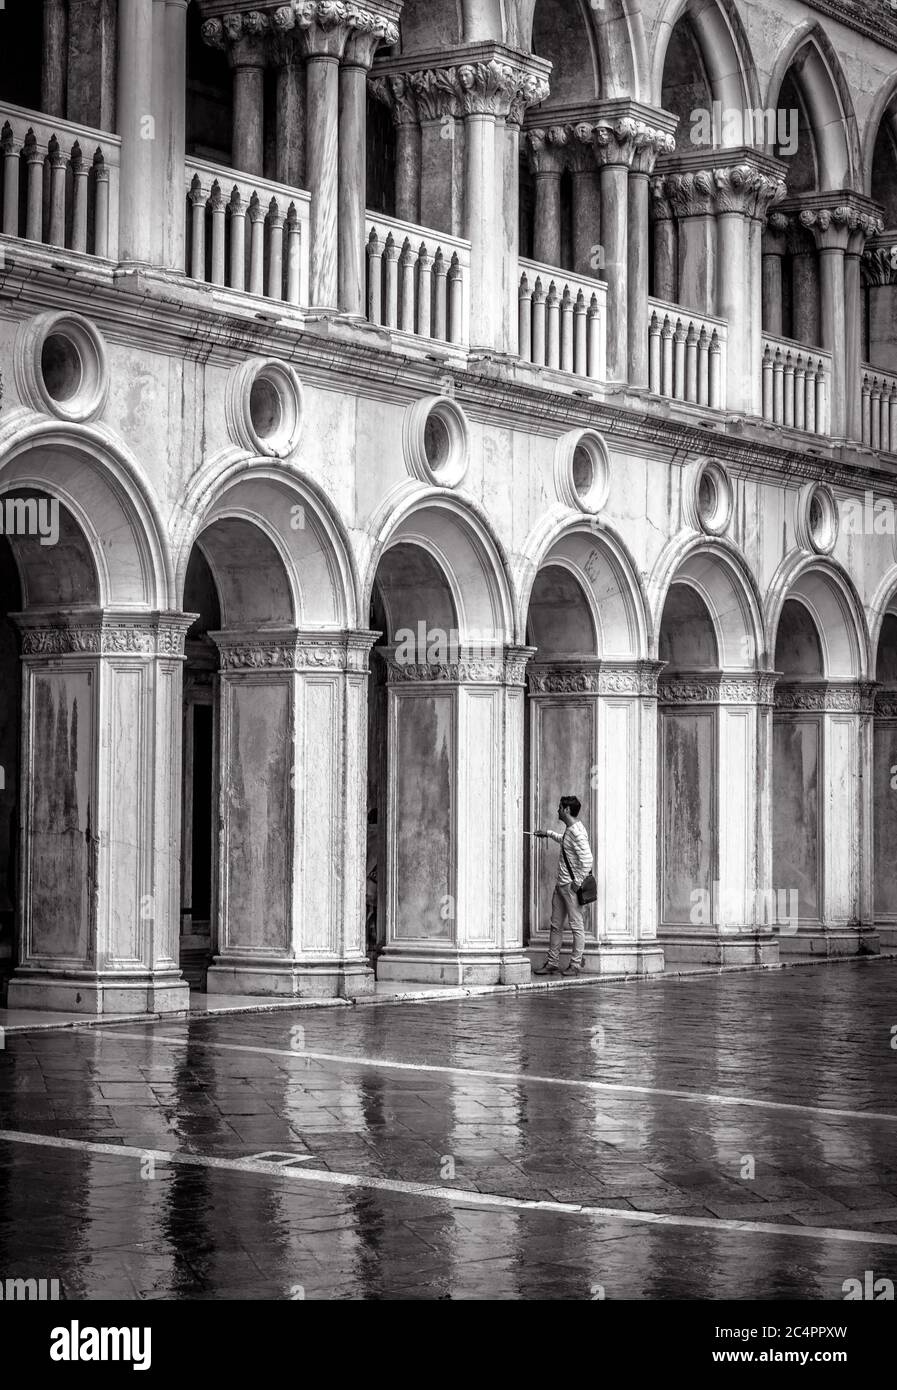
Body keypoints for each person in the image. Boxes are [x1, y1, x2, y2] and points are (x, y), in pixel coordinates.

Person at [533, 795, 593, 977]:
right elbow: (566, 842)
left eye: (559, 807)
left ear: (566, 810)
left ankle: (575, 965)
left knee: (576, 926)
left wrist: (577, 883)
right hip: (561, 886)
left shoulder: (577, 832)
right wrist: (548, 834)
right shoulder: (570, 830)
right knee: (555, 925)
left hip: (570, 888)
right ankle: (552, 963)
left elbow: (588, 860)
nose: (557, 810)